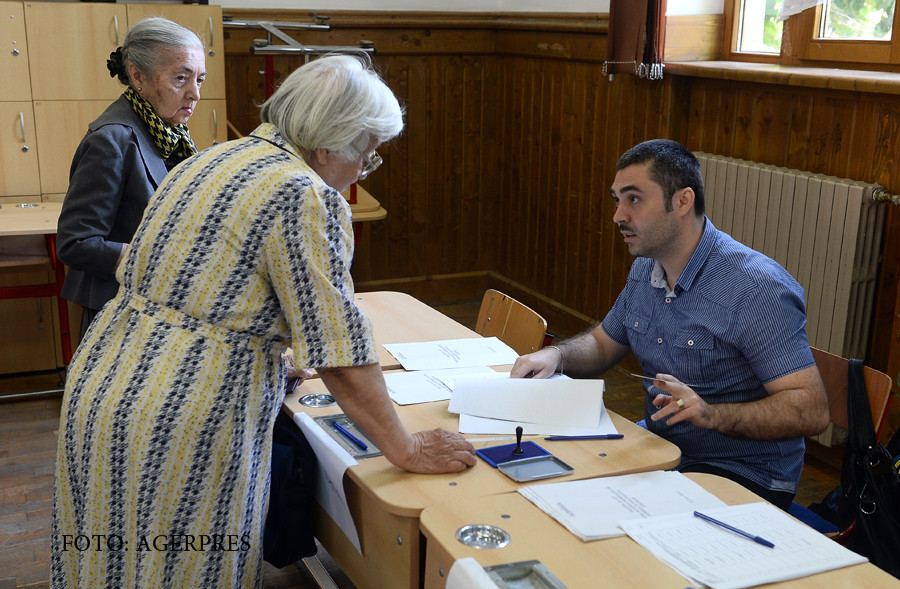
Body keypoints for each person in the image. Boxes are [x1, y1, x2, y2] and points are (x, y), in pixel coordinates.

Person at [52, 54, 476, 588]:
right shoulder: (303, 193)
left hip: (106, 382)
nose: (363, 170)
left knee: (109, 561)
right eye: (367, 153)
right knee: (184, 569)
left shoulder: (212, 158)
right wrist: (405, 447)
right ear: (330, 143)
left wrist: (266, 349)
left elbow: (204, 288)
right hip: (182, 412)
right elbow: (340, 354)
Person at [511, 139, 830, 510]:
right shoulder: (647, 267)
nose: (618, 216)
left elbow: (812, 410)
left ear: (682, 201)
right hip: (663, 449)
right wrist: (556, 356)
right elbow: (601, 345)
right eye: (617, 200)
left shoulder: (756, 288)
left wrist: (712, 414)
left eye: (634, 199)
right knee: (553, 488)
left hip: (742, 472)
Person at [56, 17, 206, 340]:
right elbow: (75, 243)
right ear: (138, 76)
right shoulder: (111, 140)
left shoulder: (170, 132)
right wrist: (151, 258)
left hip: (163, 308)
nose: (194, 93)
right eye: (181, 78)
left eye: (199, 80)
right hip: (120, 317)